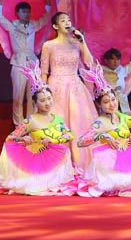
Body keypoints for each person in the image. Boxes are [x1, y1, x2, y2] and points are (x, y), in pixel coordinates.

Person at [76, 63, 131, 197]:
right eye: (106, 102)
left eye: (113, 100)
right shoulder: (100, 123)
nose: (112, 104)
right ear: (99, 105)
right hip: (111, 163)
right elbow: (81, 142)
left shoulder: (121, 117)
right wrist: (102, 136)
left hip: (128, 156)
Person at [0, 61, 75, 196]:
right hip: (37, 164)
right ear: (35, 102)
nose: (47, 103)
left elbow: (69, 135)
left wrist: (53, 140)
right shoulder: (31, 121)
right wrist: (23, 139)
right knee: (36, 187)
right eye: (42, 100)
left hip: (57, 163)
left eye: (49, 98)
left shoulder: (58, 119)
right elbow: (10, 138)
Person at [39, 12, 98, 170]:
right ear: (55, 26)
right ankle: (59, 164)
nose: (67, 22)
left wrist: (82, 41)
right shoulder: (48, 45)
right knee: (59, 122)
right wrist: (43, 92)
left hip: (75, 86)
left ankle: (80, 161)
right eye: (63, 20)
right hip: (56, 87)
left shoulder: (76, 43)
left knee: (78, 122)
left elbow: (89, 62)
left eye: (69, 20)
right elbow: (44, 71)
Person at [0, 0, 52, 125]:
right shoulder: (12, 26)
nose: (26, 14)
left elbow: (46, 18)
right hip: (18, 63)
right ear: (17, 13)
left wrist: (48, 2)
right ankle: (18, 124)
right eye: (23, 12)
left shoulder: (33, 25)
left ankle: (31, 122)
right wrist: (0, 1)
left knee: (33, 95)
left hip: (32, 63)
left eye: (28, 12)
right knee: (18, 96)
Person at [100, 35, 131, 119]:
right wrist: (82, 41)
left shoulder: (122, 70)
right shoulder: (100, 70)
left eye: (118, 59)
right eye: (113, 59)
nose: (116, 61)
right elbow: (88, 62)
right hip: (109, 109)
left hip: (124, 109)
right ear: (106, 60)